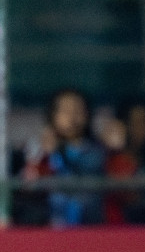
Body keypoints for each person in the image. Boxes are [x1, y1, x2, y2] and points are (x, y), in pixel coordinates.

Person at [22, 88, 108, 227]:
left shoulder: (97, 150)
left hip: (90, 228)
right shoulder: (38, 148)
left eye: (78, 110)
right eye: (65, 111)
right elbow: (29, 185)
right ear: (53, 115)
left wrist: (59, 149)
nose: (72, 117)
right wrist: (44, 155)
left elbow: (84, 174)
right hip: (50, 228)